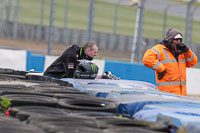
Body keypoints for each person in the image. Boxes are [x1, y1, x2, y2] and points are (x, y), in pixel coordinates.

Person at [143, 28, 198, 96]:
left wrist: (187, 51)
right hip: (166, 95)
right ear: (170, 39)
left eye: (179, 40)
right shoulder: (160, 49)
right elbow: (147, 59)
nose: (178, 42)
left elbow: (192, 62)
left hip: (181, 95)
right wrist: (161, 69)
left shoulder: (182, 52)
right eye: (176, 40)